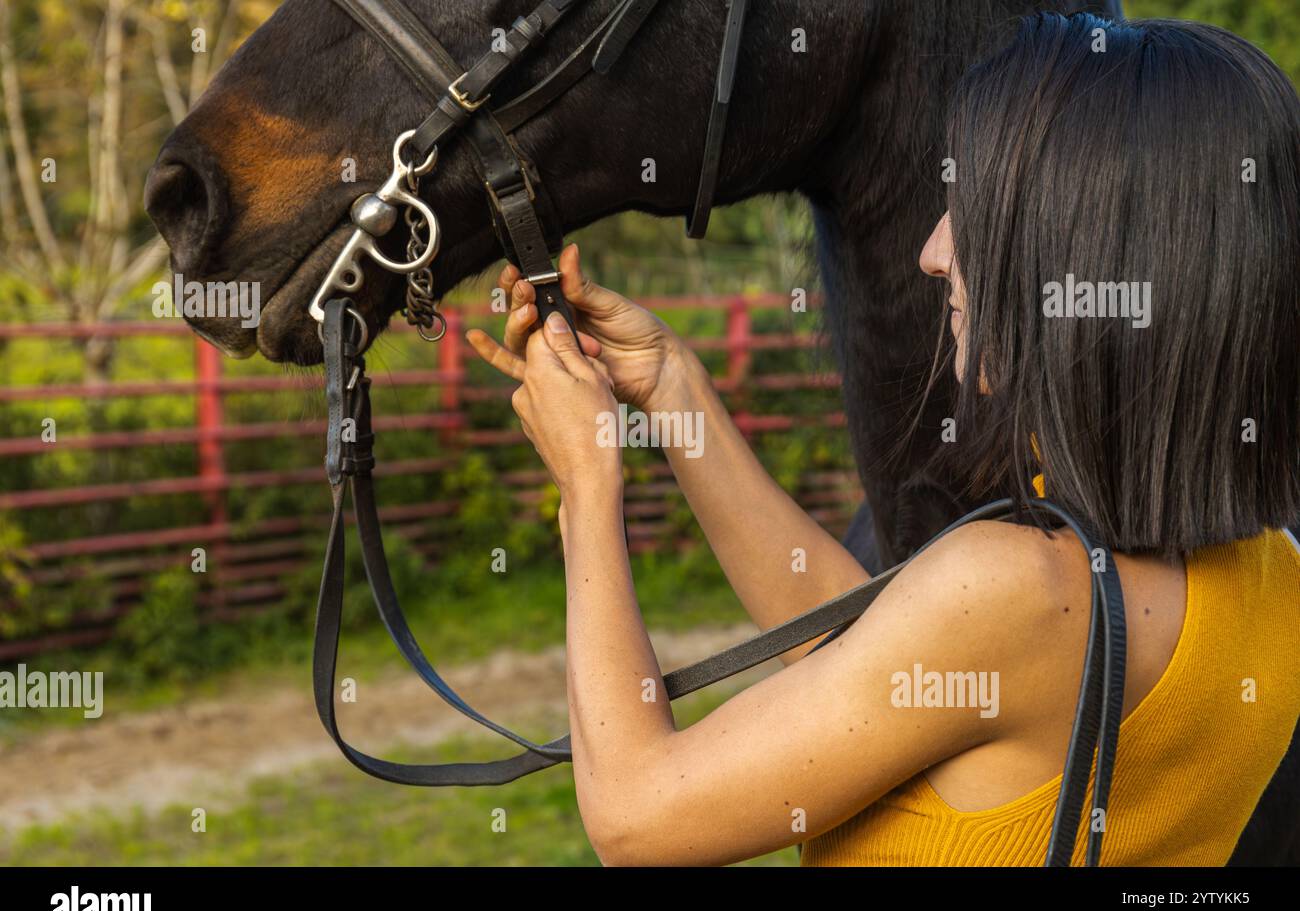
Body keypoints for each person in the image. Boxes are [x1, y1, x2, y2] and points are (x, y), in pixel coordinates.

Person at [465, 12, 1300, 866]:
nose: (934, 253)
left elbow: (638, 818)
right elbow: (874, 652)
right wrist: (674, 389)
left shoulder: (1020, 589)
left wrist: (588, 489)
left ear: (1076, 257)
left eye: (972, 211)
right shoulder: (1270, 575)